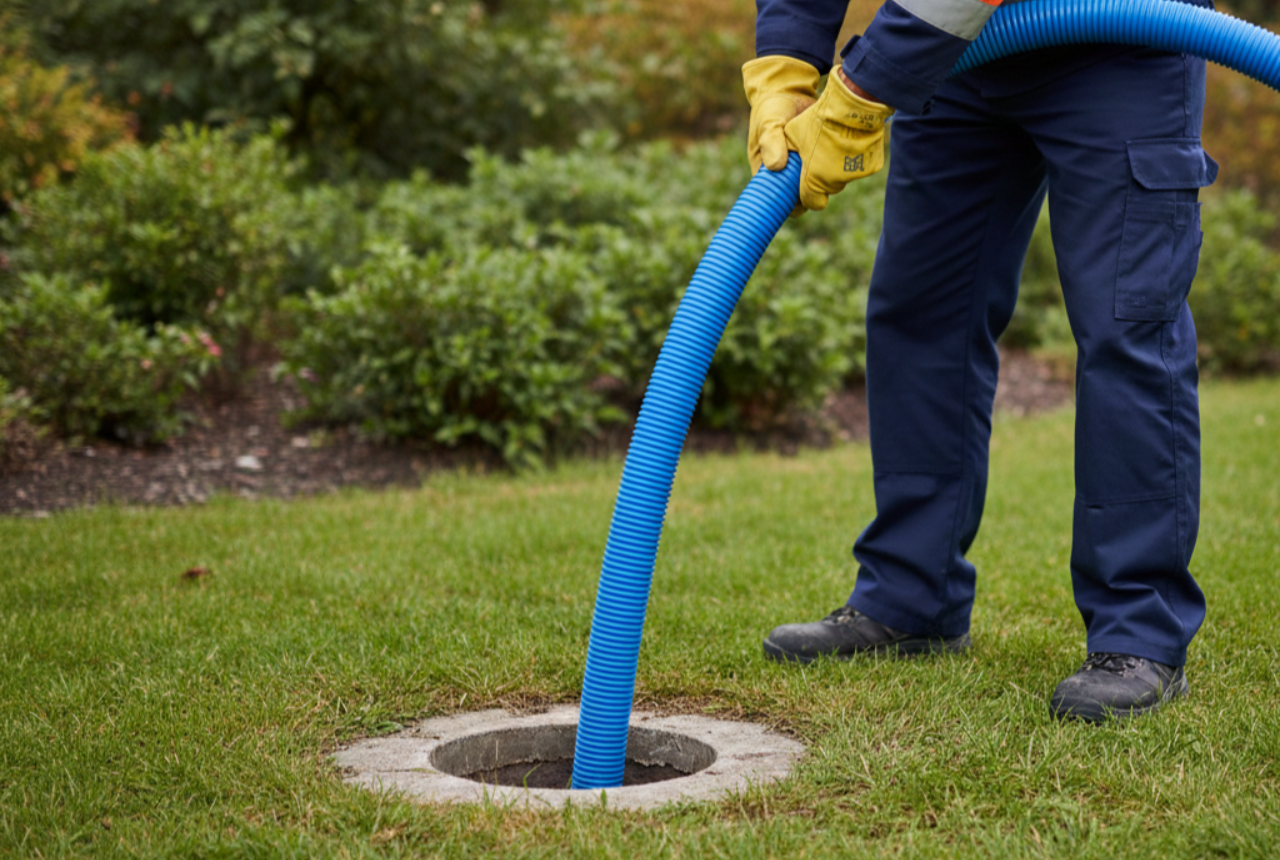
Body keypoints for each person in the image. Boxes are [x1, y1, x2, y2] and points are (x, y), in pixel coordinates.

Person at [744, 0, 1217, 722]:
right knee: (921, 311)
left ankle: (1138, 631)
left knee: (1126, 327)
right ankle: (910, 599)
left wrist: (862, 88)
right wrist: (785, 66)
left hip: (1120, 33)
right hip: (958, 52)